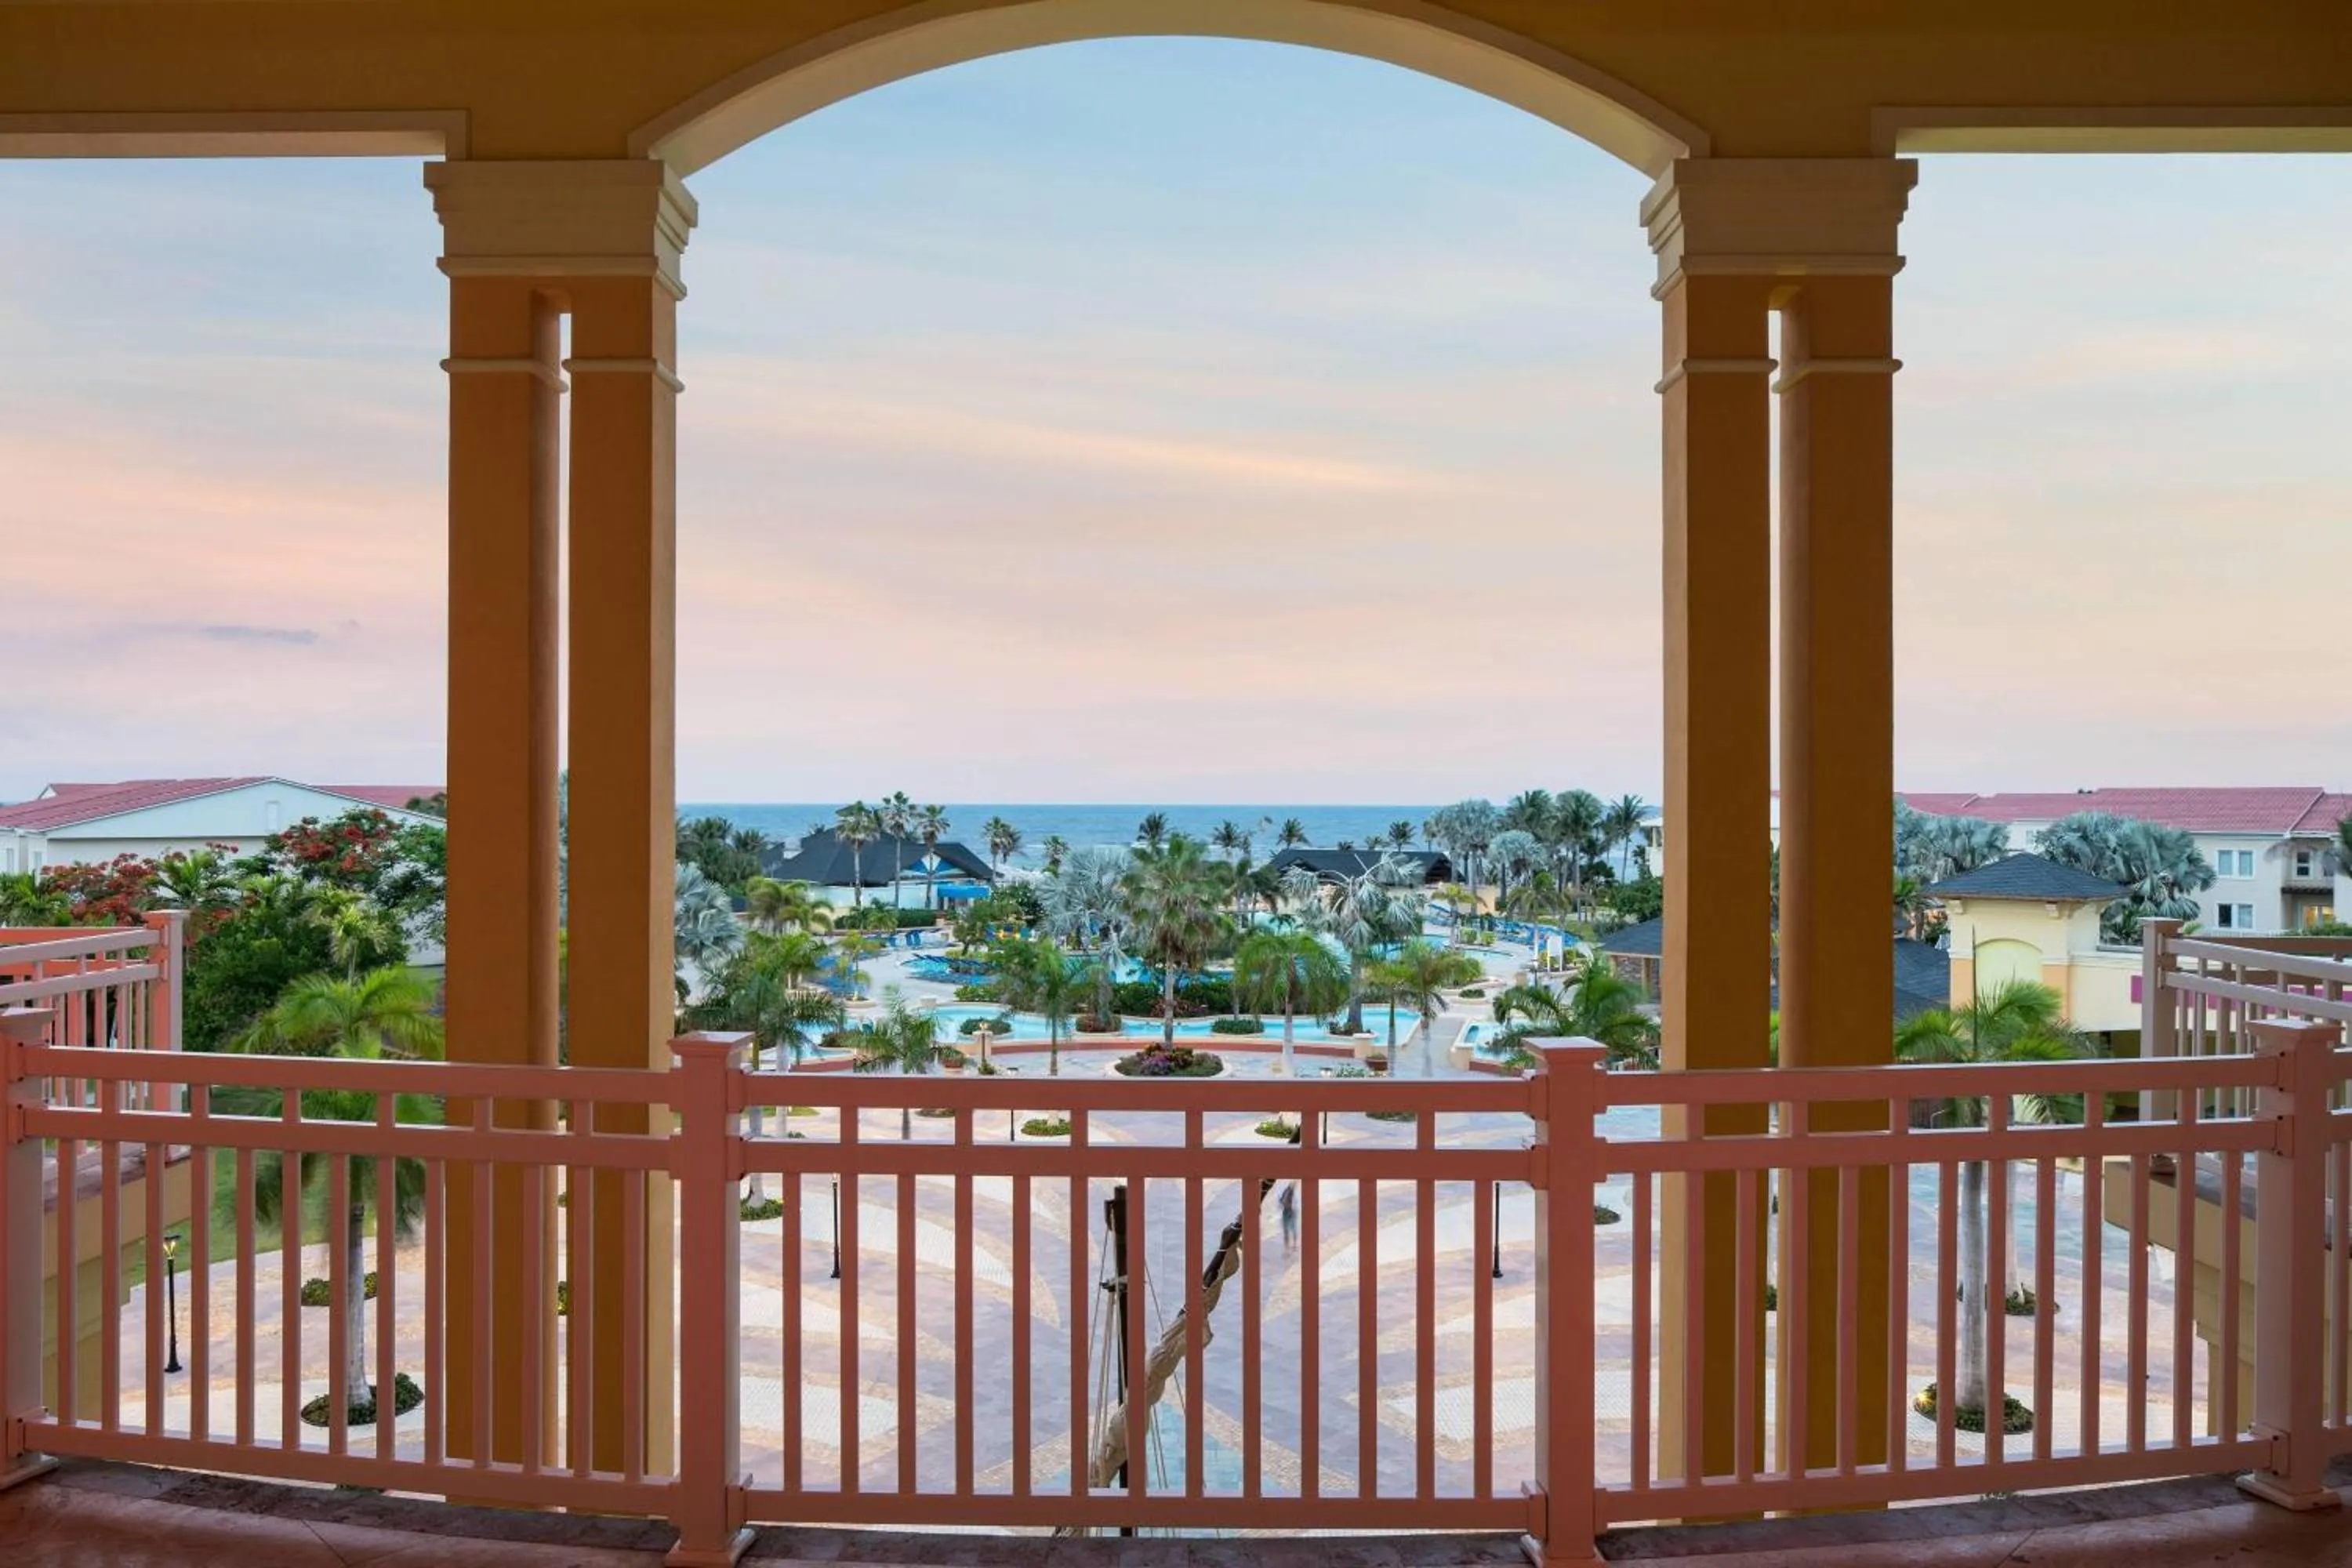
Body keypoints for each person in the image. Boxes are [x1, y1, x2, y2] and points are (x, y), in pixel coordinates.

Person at [1278, 1181, 1298, 1254]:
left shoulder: (1293, 1192)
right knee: (1288, 1230)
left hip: (1291, 1212)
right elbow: (1281, 1200)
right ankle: (1288, 1248)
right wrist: (1281, 1203)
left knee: (1292, 1229)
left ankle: (1294, 1245)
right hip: (1287, 1212)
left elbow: (1295, 1203)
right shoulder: (1287, 1191)